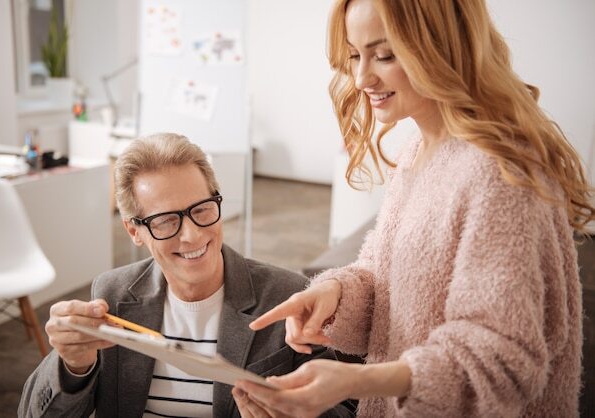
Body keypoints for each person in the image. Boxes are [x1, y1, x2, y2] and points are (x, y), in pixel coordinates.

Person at [233, 0, 594, 417]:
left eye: (384, 55)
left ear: (440, 47)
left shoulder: (498, 173)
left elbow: (501, 357)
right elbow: (388, 282)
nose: (362, 76)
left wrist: (354, 381)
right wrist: (332, 294)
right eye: (355, 54)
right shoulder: (419, 151)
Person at [18, 133, 355, 418]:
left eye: (201, 210)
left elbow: (350, 407)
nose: (192, 235)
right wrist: (74, 365)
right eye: (166, 221)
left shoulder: (287, 296)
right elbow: (33, 413)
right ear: (134, 232)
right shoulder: (113, 297)